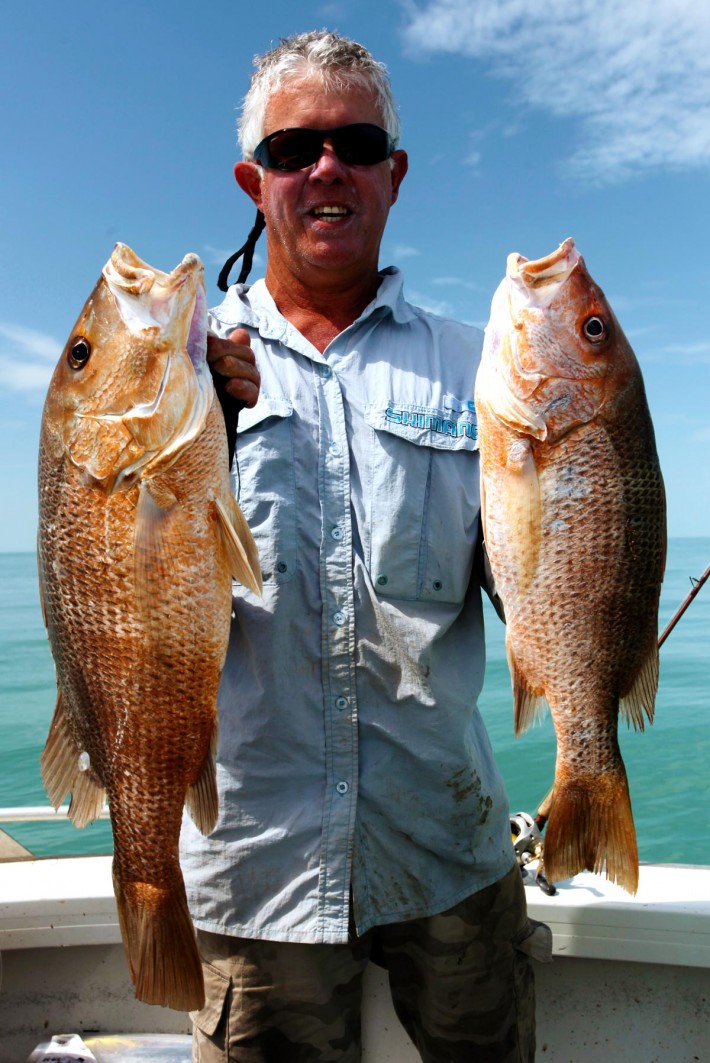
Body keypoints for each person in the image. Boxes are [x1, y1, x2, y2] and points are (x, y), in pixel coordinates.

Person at [180, 29, 550, 1063]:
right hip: (254, 860)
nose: (325, 166)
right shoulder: (178, 369)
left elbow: (542, 581)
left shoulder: (482, 368)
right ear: (257, 184)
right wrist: (194, 423)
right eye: (295, 150)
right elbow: (115, 577)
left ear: (393, 175)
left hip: (448, 840)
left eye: (353, 141)